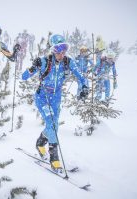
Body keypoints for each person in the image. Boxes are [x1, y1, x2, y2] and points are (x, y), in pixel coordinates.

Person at [22, 34, 89, 173]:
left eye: (64, 48)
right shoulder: (44, 61)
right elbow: (24, 76)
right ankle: (54, 159)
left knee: (54, 126)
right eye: (59, 49)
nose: (62, 52)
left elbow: (81, 77)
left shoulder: (68, 62)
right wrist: (33, 67)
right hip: (43, 96)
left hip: (56, 98)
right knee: (52, 124)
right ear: (53, 49)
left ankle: (40, 143)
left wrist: (84, 87)